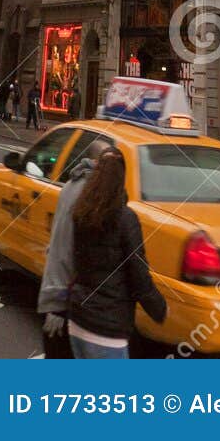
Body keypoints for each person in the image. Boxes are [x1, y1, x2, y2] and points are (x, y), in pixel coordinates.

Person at [65, 148, 167, 358]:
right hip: (108, 327)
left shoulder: (82, 210)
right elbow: (138, 273)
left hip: (78, 319)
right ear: (122, 178)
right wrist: (159, 309)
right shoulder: (126, 219)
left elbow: (74, 259)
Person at [37, 137, 112, 356]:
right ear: (97, 162)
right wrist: (58, 305)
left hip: (58, 295)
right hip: (62, 299)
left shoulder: (71, 185)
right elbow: (65, 251)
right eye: (108, 162)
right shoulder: (87, 195)